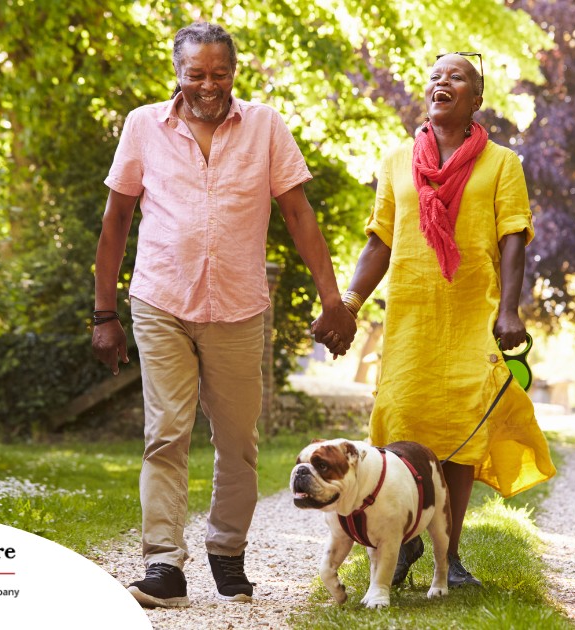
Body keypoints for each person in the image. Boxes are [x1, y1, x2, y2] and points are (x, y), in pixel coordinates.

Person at [92, 22, 355, 608]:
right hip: (160, 300)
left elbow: (297, 213)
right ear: (178, 74)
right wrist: (103, 312)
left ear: (234, 72)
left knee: (238, 443)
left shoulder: (265, 126)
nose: (209, 85)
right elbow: (115, 221)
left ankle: (227, 551)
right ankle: (164, 566)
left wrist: (331, 299)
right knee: (165, 435)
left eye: (220, 73)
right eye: (196, 74)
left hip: (237, 307)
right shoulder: (143, 126)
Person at [330, 52, 556, 588]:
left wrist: (509, 310)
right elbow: (380, 241)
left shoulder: (502, 163)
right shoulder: (396, 161)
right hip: (410, 319)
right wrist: (350, 303)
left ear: (477, 98)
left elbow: (513, 238)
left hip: (471, 317)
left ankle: (447, 559)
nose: (442, 82)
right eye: (436, 76)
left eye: (456, 76)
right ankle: (400, 543)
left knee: (460, 438)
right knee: (402, 427)